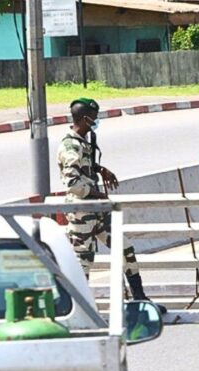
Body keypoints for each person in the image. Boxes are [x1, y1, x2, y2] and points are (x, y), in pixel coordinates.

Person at [57, 98, 165, 313]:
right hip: (82, 212)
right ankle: (78, 309)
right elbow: (72, 183)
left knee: (125, 250)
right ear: (84, 119)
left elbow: (83, 167)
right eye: (94, 119)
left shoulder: (83, 141)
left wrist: (98, 168)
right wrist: (97, 194)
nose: (96, 122)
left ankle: (140, 299)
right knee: (83, 262)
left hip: (97, 211)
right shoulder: (70, 145)